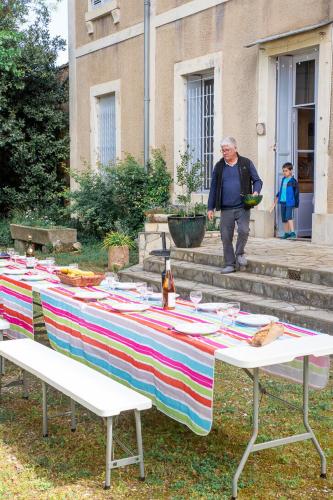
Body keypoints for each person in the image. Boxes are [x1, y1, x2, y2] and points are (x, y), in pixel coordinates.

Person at [207, 137, 263, 274]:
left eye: (227, 150)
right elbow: (213, 188)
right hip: (226, 208)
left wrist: (256, 191)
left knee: (244, 230)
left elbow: (257, 181)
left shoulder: (245, 163)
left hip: (242, 206)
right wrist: (210, 207)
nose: (224, 152)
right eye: (223, 150)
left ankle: (239, 253)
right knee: (225, 236)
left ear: (235, 149)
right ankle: (230, 264)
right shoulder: (219, 166)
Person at [270, 162, 299, 239]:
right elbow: (282, 190)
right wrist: (277, 196)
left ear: (291, 171)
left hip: (289, 202)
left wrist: (296, 203)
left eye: (286, 171)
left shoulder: (293, 181)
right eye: (283, 171)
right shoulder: (283, 180)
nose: (284, 172)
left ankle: (293, 233)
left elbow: (296, 193)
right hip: (282, 201)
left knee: (289, 217)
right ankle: (286, 233)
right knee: (284, 218)